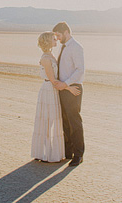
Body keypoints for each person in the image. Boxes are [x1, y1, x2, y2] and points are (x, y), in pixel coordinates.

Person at [31, 31, 80, 163]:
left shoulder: (51, 55)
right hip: (49, 90)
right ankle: (45, 154)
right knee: (47, 121)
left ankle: (47, 152)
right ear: (48, 41)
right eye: (53, 39)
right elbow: (53, 80)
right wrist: (69, 87)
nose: (56, 40)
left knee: (52, 120)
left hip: (54, 91)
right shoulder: (46, 59)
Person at [52, 21, 85, 166]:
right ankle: (68, 151)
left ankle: (78, 154)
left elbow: (80, 70)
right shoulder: (63, 47)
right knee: (65, 120)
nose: (57, 38)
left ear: (66, 32)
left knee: (74, 121)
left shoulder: (76, 47)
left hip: (73, 88)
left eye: (58, 35)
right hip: (64, 88)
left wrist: (66, 84)